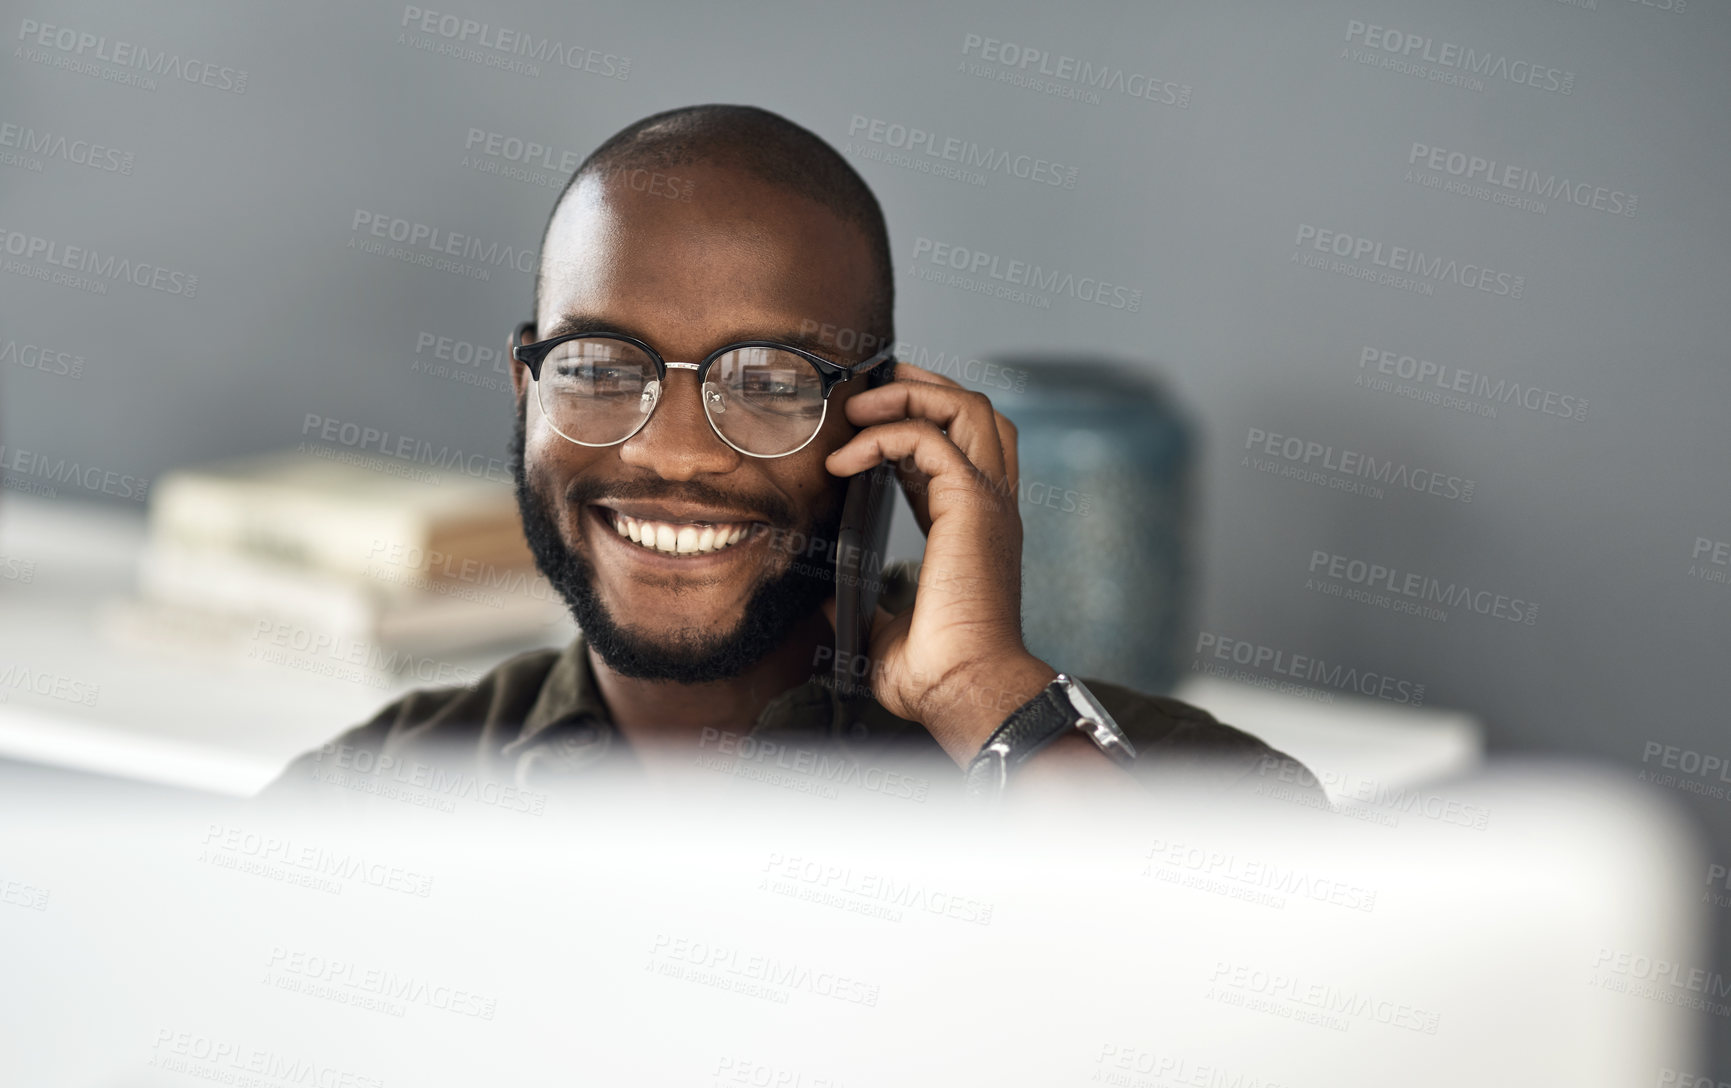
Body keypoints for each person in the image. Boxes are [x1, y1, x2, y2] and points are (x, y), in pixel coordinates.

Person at [265, 104, 1315, 806]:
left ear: (883, 416)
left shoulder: (1187, 796)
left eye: (768, 384)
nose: (674, 453)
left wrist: (983, 694)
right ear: (526, 388)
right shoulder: (375, 794)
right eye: (598, 366)